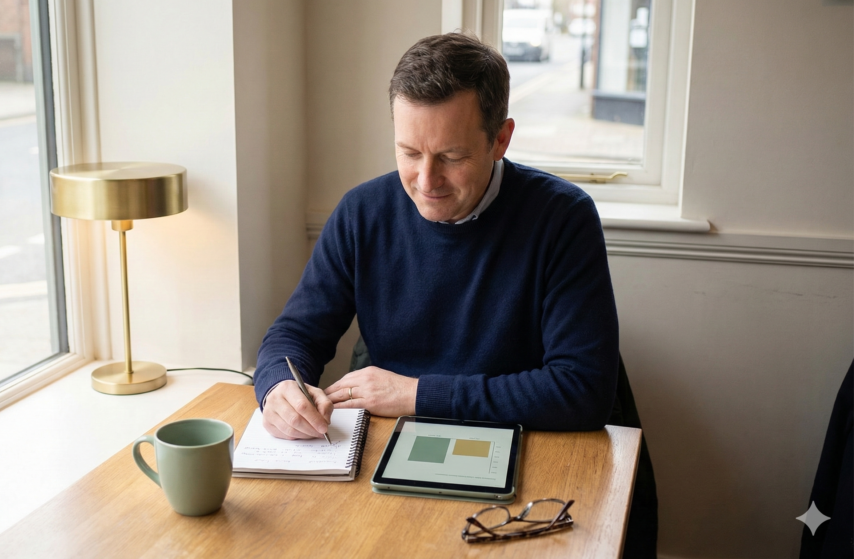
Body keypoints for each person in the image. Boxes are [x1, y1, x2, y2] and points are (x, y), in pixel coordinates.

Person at [253, 32, 619, 442]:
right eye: (410, 153)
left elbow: (583, 389)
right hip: (395, 439)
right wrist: (277, 387)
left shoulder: (563, 218)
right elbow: (295, 334)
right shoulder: (361, 213)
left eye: (452, 156)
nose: (426, 181)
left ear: (500, 139)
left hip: (523, 443)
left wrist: (417, 394)